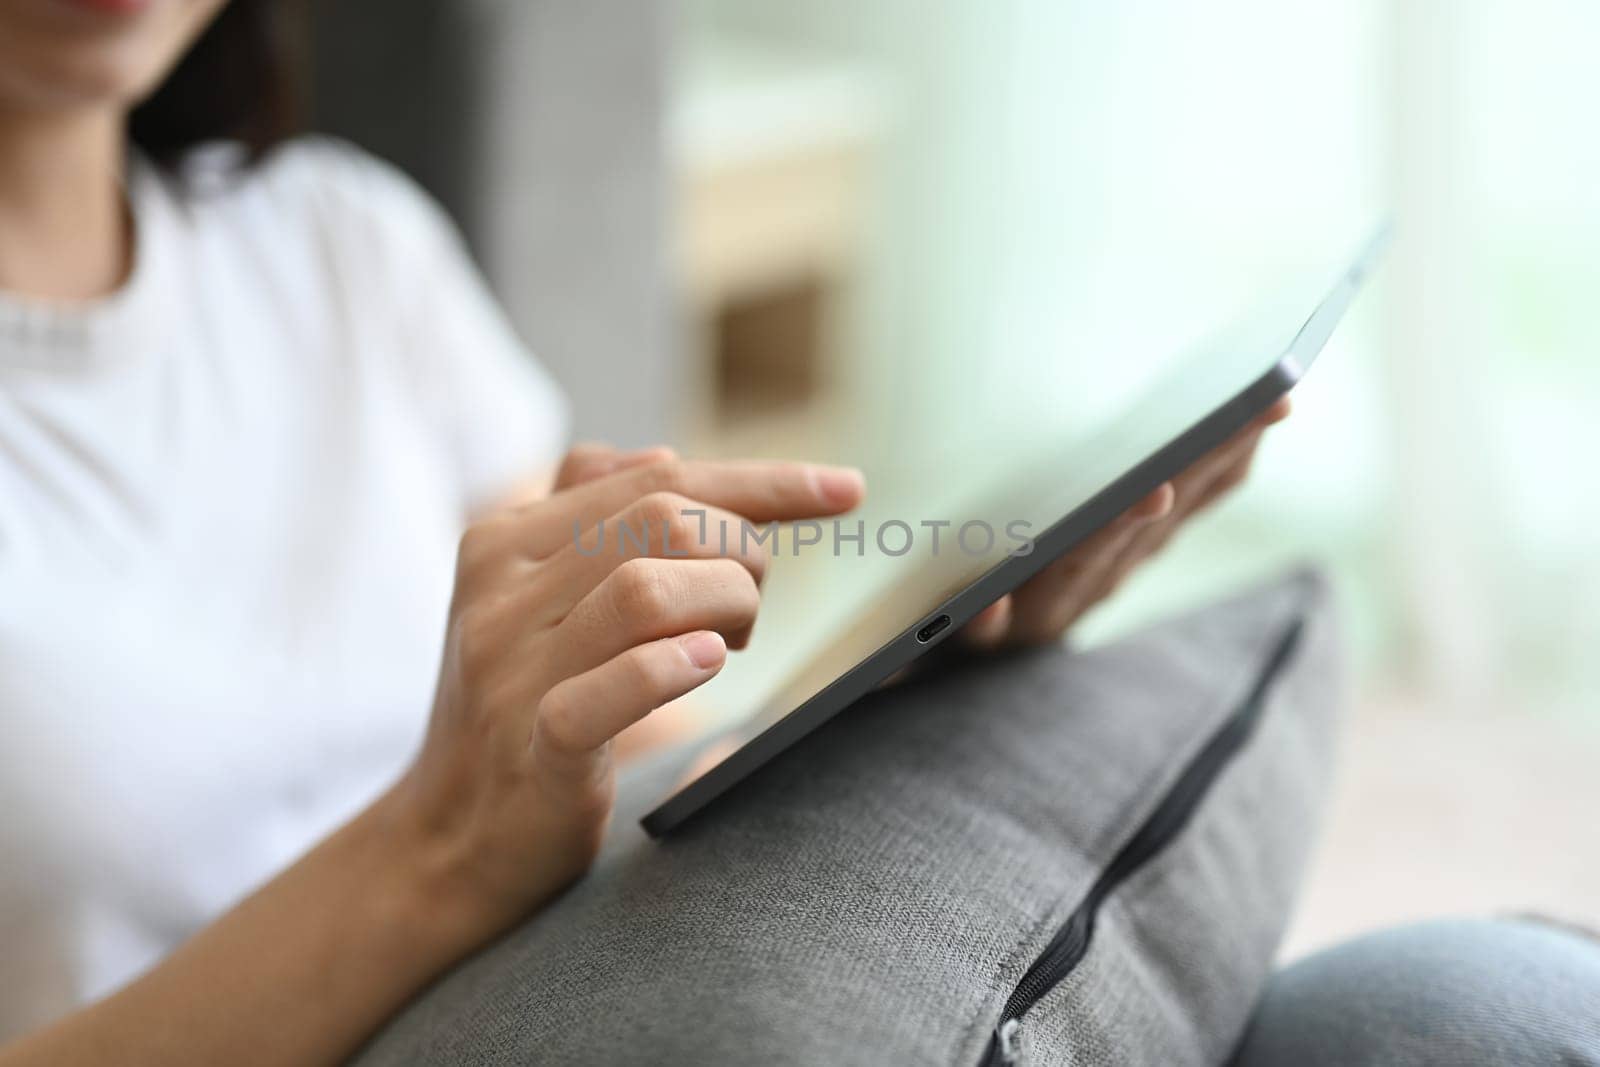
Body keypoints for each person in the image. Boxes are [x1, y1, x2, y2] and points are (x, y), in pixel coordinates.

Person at [6, 3, 1590, 1066]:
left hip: (585, 999)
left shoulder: (344, 246)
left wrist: (916, 654)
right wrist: (433, 858)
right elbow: (470, 825)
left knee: (1472, 1014)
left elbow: (635, 748)